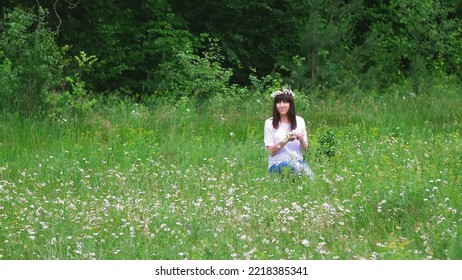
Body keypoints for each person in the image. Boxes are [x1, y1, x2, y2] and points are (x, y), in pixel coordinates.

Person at [264, 88, 314, 179]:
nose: (282, 105)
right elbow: (270, 151)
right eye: (278, 103)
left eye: (285, 102)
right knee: (292, 168)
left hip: (298, 162)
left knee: (312, 179)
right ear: (275, 105)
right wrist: (286, 140)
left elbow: (305, 149)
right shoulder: (269, 123)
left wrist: (301, 139)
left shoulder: (299, 121)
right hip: (277, 163)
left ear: (290, 104)